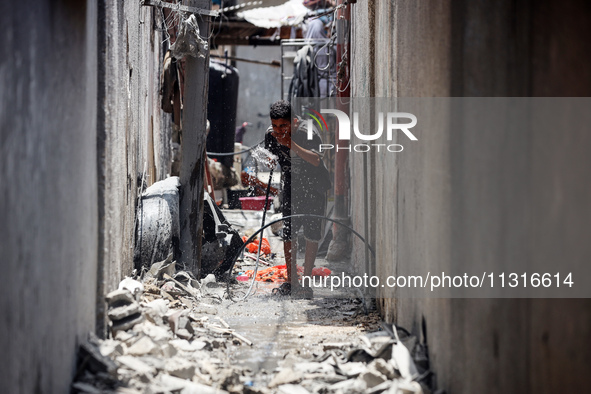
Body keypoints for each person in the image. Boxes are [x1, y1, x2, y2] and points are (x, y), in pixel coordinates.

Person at [265, 100, 328, 298]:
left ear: (294, 121)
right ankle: (292, 281)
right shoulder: (271, 135)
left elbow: (316, 160)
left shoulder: (308, 132)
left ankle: (306, 284)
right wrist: (269, 160)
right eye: (275, 126)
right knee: (289, 233)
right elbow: (271, 157)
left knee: (311, 233)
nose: (279, 130)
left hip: (314, 187)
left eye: (283, 126)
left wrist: (290, 144)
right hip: (292, 187)